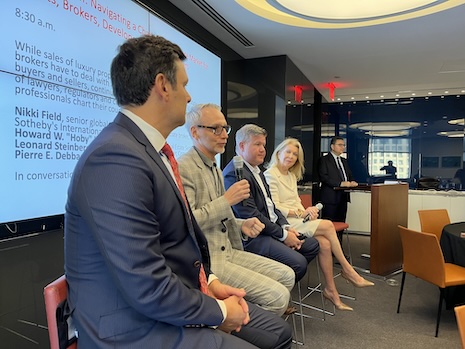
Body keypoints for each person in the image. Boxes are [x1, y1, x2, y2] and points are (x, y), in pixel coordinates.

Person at [64, 35, 292, 349]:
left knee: (279, 333)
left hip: (165, 302)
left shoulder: (146, 152)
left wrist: (210, 284)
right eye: (184, 85)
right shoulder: (114, 157)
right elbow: (145, 283)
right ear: (163, 85)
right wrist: (218, 311)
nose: (188, 97)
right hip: (131, 328)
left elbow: (170, 246)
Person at [178, 103, 295, 316]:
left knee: (287, 275)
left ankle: (255, 326)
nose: (224, 135)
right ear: (195, 132)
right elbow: (186, 222)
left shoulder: (213, 164)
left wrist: (242, 224)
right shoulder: (185, 167)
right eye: (216, 129)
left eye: (225, 128)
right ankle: (238, 328)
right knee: (278, 296)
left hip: (230, 251)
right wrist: (226, 200)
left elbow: (220, 216)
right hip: (211, 261)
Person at [264, 138, 374, 311]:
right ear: (278, 153)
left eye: (295, 154)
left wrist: (308, 210)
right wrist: (301, 213)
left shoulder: (291, 175)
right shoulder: (271, 174)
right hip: (284, 222)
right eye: (288, 152)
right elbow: (275, 207)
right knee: (329, 225)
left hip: (298, 219)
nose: (291, 157)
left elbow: (295, 202)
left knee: (325, 243)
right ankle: (348, 270)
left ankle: (331, 290)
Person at [223, 124, 319, 283]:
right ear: (242, 146)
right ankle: (274, 293)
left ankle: (277, 281)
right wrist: (283, 236)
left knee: (312, 245)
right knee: (299, 263)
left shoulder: (256, 170)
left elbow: (271, 206)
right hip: (255, 236)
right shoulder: (236, 173)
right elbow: (250, 215)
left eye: (264, 145)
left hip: (271, 228)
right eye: (257, 144)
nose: (263, 150)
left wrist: (286, 227)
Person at [318, 136, 358, 226]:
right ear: (332, 146)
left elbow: (349, 175)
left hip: (343, 197)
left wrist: (352, 182)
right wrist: (340, 183)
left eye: (343, 145)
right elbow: (324, 177)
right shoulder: (324, 160)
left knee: (341, 223)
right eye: (340, 145)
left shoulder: (344, 161)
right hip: (330, 198)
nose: (343, 147)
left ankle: (339, 240)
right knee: (328, 225)